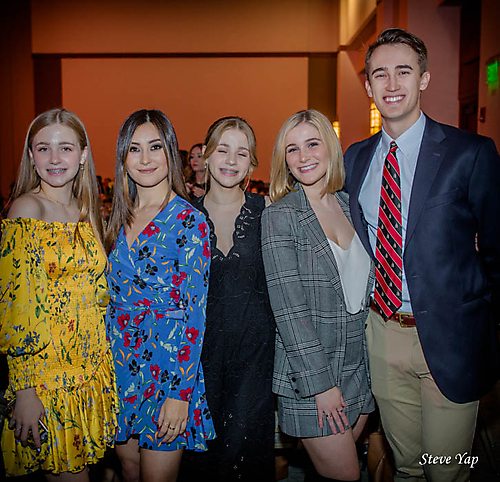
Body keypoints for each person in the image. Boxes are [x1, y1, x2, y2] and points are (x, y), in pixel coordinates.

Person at [343, 28, 500, 481]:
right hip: (382, 334)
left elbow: (495, 248)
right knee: (408, 469)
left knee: (446, 472)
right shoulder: (355, 158)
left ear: (424, 79)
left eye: (404, 71)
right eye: (380, 74)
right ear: (368, 86)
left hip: (451, 338)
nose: (392, 84)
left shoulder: (469, 153)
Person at [0, 108, 117, 479]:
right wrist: (25, 391)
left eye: (65, 148)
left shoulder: (85, 210)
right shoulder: (27, 209)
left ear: (83, 155)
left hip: (91, 372)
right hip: (49, 380)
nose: (54, 158)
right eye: (43, 148)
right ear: (31, 156)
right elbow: (17, 308)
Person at [261, 109, 374, 482]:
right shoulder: (280, 216)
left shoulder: (352, 207)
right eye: (292, 149)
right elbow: (288, 311)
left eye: (312, 144)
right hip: (311, 378)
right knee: (347, 475)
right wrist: (320, 385)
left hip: (360, 371)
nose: (303, 156)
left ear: (330, 147)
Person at [104, 109, 215, 482]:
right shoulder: (117, 217)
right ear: (123, 157)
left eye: (155, 147)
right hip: (119, 364)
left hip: (167, 368)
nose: (145, 158)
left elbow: (195, 314)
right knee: (129, 468)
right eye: (134, 149)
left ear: (170, 151)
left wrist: (180, 394)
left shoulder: (190, 221)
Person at [180, 116, 275, 481]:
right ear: (205, 156)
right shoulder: (182, 216)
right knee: (199, 464)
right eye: (223, 149)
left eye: (242, 153)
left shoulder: (269, 211)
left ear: (252, 164)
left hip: (254, 360)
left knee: (244, 460)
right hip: (197, 362)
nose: (231, 160)